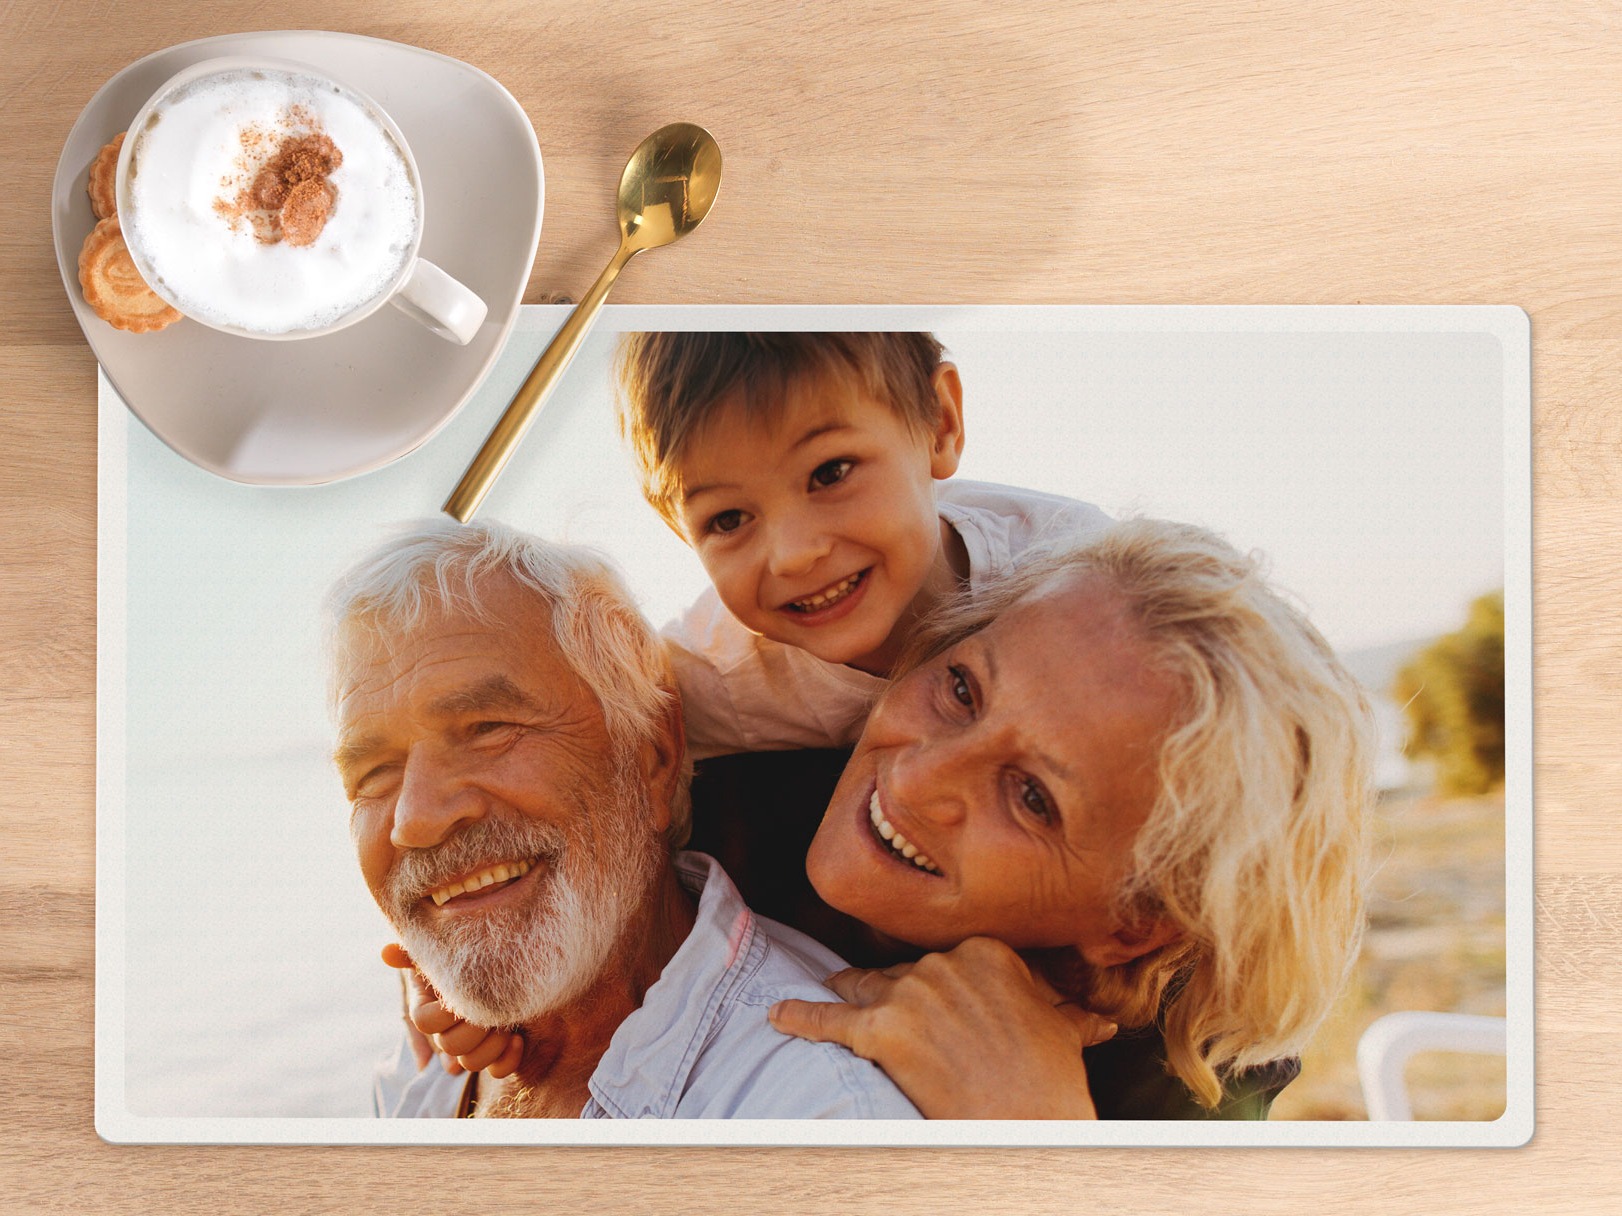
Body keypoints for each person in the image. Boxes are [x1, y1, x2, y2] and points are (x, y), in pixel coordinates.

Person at [768, 517, 1377, 1116]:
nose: (913, 776)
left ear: (1132, 925)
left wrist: (1032, 1125)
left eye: (1033, 798)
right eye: (961, 690)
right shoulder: (711, 790)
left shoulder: (1185, 1101)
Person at [325, 518, 924, 1120]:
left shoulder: (810, 1115)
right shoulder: (426, 1064)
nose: (417, 819)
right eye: (374, 772)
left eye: (488, 729)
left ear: (653, 757)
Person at [614, 332, 1111, 759]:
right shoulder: (714, 678)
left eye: (829, 473)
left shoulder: (1077, 572)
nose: (793, 554)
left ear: (939, 424)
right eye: (728, 519)